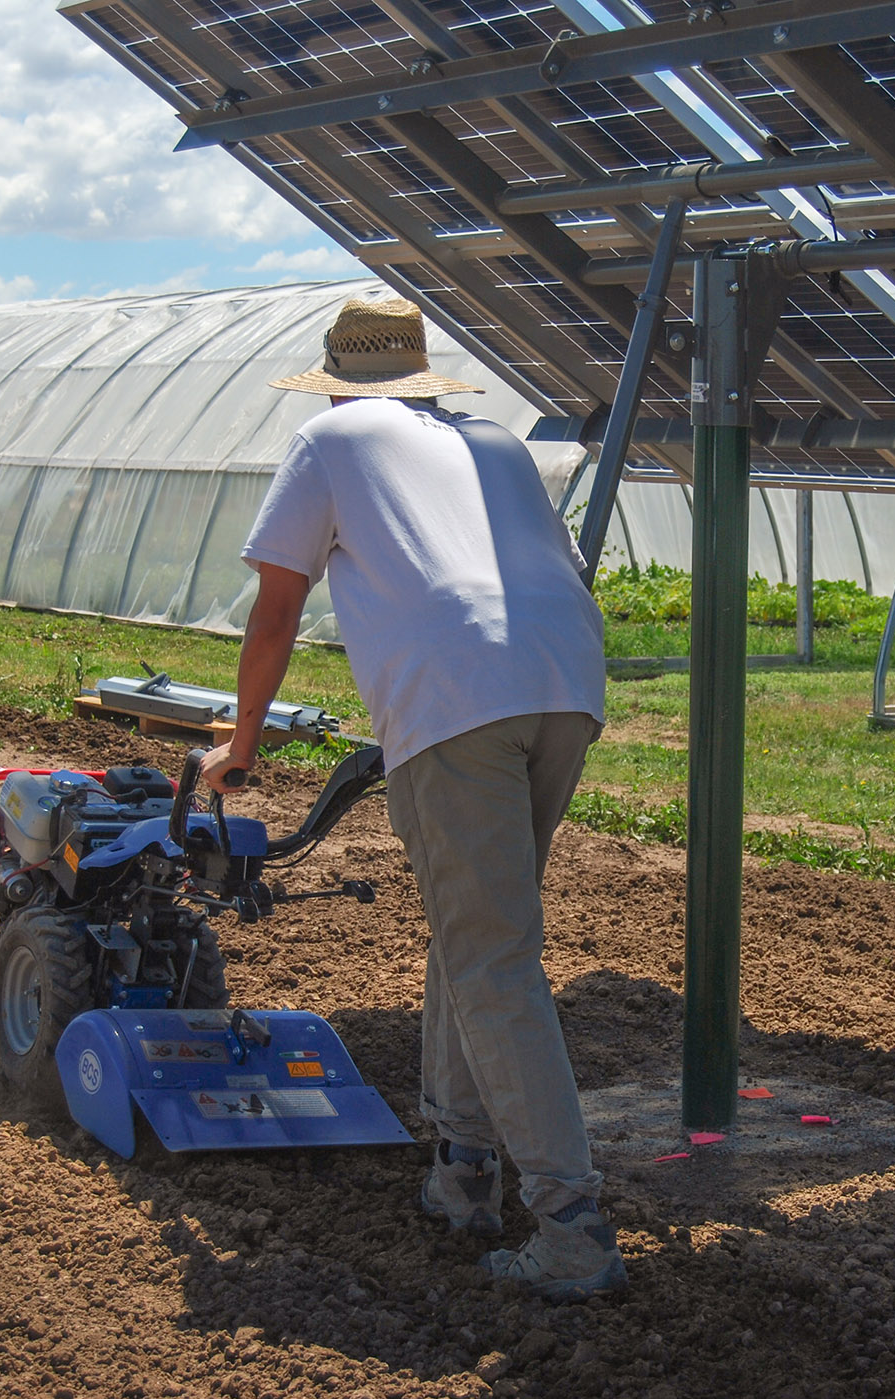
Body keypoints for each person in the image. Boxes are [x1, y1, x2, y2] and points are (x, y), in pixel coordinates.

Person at [198, 296, 620, 1302]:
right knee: (475, 938)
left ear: (339, 374)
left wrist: (242, 743)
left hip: (459, 693)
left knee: (492, 956)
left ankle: (571, 1225)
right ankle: (463, 1172)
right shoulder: (496, 442)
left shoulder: (330, 434)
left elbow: (278, 603)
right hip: (565, 680)